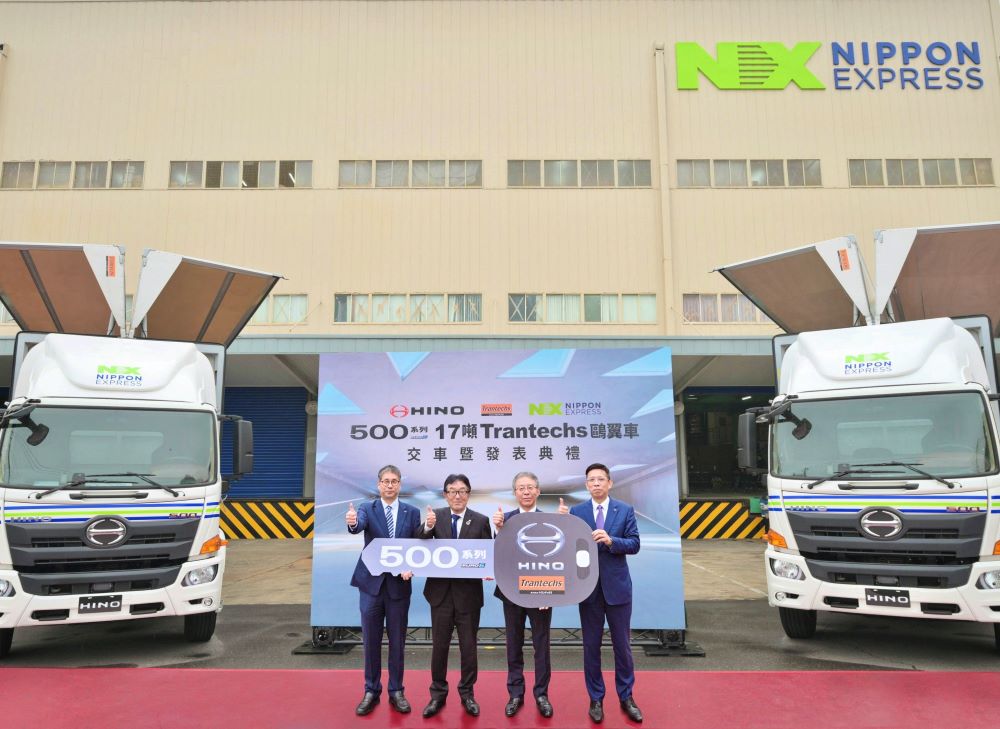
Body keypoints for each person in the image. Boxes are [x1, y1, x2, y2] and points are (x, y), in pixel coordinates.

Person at [492, 471, 569, 718]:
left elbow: (558, 557)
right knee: (513, 644)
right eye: (521, 488)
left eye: (530, 487)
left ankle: (542, 694)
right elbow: (498, 554)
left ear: (538, 491)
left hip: (541, 592)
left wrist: (549, 592)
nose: (526, 492)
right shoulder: (504, 519)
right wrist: (498, 530)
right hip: (511, 592)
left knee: (541, 645)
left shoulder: (550, 520)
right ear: (515, 492)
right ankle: (515, 693)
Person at [569, 463, 643, 724]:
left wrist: (612, 541)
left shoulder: (624, 510)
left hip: (617, 589)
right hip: (588, 590)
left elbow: (635, 544)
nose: (596, 483)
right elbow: (570, 547)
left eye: (601, 479)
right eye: (592, 480)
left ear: (610, 483)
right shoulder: (577, 512)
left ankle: (626, 696)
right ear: (586, 485)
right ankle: (596, 698)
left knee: (622, 646)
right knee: (591, 647)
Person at [346, 465, 421, 716]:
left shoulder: (412, 512)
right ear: (379, 484)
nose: (390, 485)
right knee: (371, 641)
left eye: (394, 481)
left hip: (399, 587)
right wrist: (353, 522)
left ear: (400, 485)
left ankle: (396, 690)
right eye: (386, 481)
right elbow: (358, 525)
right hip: (371, 586)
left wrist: (412, 565)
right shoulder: (367, 509)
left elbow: (417, 545)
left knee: (397, 641)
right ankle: (371, 690)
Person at [418, 473, 492, 718]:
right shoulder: (435, 517)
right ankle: (437, 694)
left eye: (462, 491)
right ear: (445, 494)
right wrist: (427, 527)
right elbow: (419, 542)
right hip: (440, 595)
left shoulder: (480, 520)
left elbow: (488, 552)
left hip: (469, 596)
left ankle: (467, 693)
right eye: (452, 491)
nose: (457, 495)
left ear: (468, 494)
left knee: (468, 648)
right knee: (439, 647)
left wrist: (489, 569)